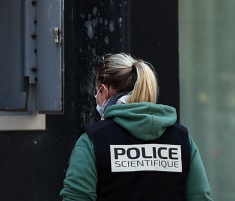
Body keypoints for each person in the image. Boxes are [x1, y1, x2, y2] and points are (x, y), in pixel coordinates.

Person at [60, 53, 212, 201]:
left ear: (104, 91)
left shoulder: (93, 141)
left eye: (97, 91)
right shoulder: (182, 139)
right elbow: (200, 196)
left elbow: (76, 196)